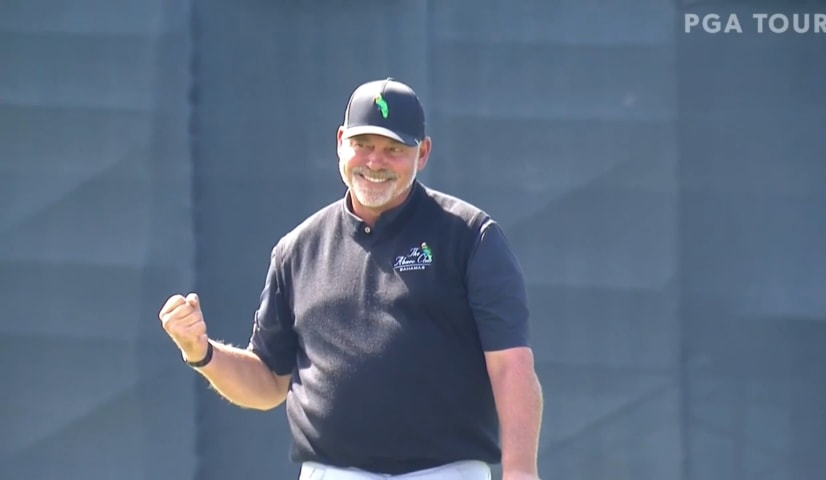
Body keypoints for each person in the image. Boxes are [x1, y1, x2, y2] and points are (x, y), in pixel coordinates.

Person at [159, 78, 544, 480]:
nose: (375, 162)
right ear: (341, 141)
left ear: (423, 152)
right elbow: (269, 381)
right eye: (364, 145)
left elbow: (510, 365)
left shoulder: (469, 236)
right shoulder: (298, 248)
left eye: (394, 149)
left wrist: (519, 471)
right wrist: (201, 352)